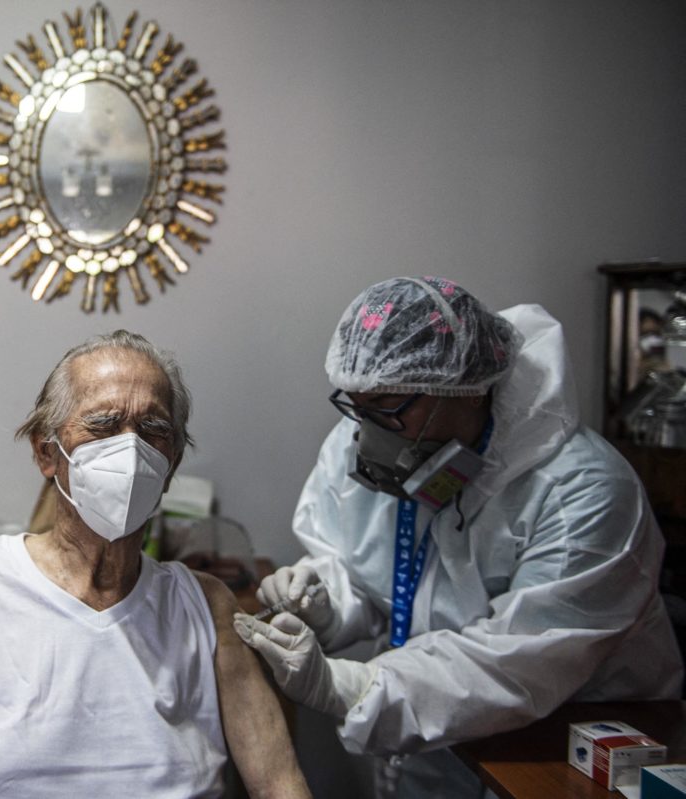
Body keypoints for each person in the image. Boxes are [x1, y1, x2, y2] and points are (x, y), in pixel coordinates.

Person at [234, 277, 684, 798]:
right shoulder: (359, 444)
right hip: (433, 737)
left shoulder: (581, 490)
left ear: (468, 391)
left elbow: (520, 661)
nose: (367, 435)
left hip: (573, 754)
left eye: (388, 406)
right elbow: (369, 573)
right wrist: (325, 602)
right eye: (357, 405)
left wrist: (353, 686)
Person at [0, 330, 311, 798]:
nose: (131, 449)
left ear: (171, 466)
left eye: (154, 429)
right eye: (102, 425)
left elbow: (278, 784)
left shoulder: (204, 605)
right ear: (47, 453)